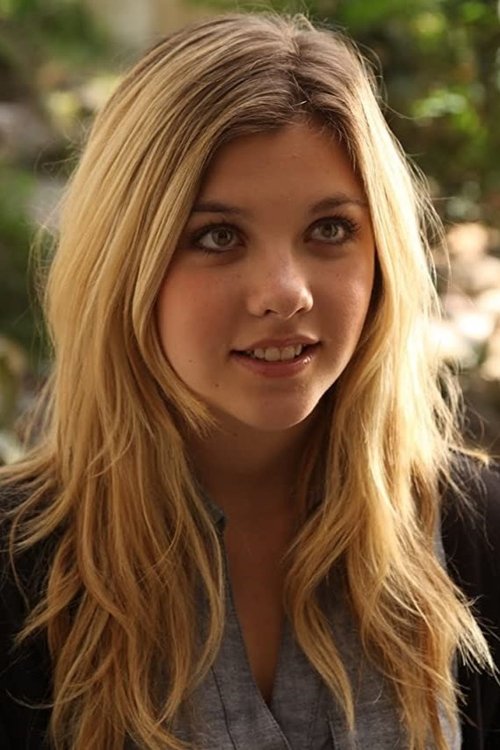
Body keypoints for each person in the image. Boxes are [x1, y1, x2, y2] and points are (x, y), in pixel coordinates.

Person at [0, 12, 498, 750]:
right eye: (218, 236)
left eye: (330, 229)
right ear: (125, 264)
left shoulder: (477, 535)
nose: (285, 292)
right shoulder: (16, 567)